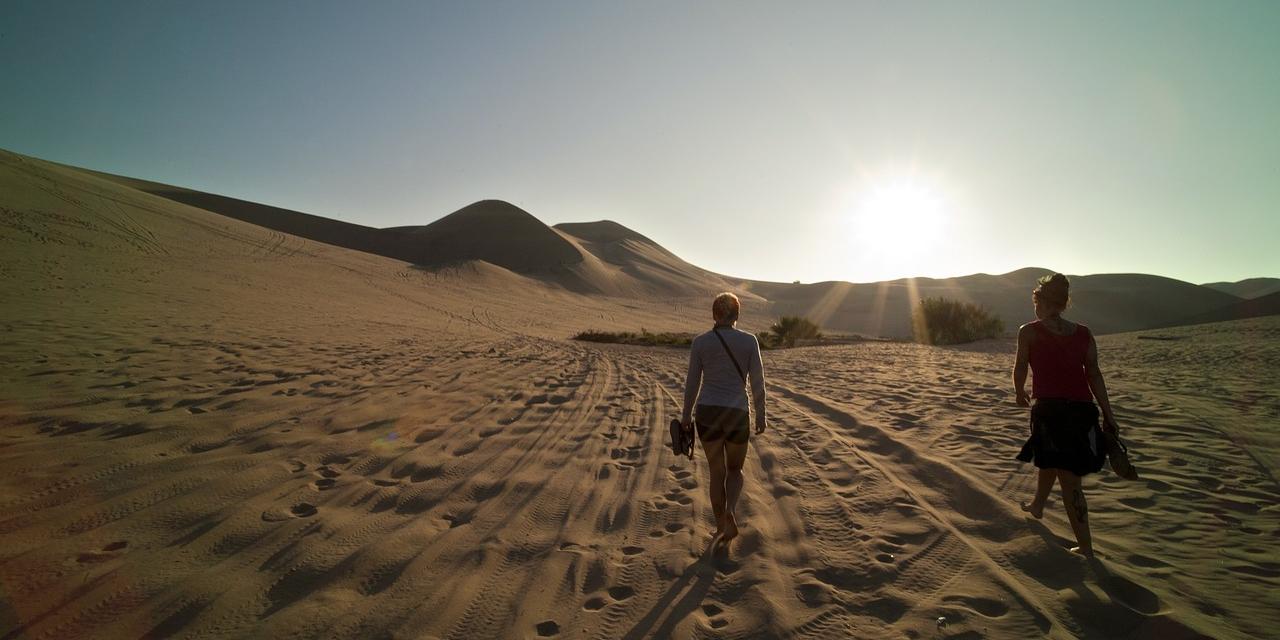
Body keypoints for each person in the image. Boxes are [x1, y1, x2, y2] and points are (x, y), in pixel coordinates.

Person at [1013, 273, 1120, 557]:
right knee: (1050, 460)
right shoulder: (1084, 333)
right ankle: (1038, 505)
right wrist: (1108, 414)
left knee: (1069, 480)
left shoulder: (1029, 331)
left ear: (1040, 301)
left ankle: (1086, 549)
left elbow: (1021, 364)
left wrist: (1018, 390)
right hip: (1083, 412)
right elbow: (1094, 374)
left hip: (1051, 412)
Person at [681, 292, 767, 544]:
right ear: (737, 315)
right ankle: (730, 511)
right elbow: (758, 382)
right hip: (737, 413)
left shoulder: (700, 342)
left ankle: (720, 526)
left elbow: (693, 382)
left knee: (716, 471)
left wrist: (686, 414)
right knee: (735, 470)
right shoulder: (749, 341)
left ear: (714, 315)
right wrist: (761, 415)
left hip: (707, 412)